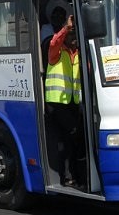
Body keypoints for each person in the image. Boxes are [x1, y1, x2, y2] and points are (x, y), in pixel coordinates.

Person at [45, 14, 83, 187]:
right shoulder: (56, 52)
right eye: (71, 35)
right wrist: (66, 28)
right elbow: (54, 42)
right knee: (74, 134)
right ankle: (71, 176)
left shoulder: (78, 54)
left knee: (68, 141)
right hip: (56, 103)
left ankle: (71, 177)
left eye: (76, 35)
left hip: (73, 102)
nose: (74, 38)